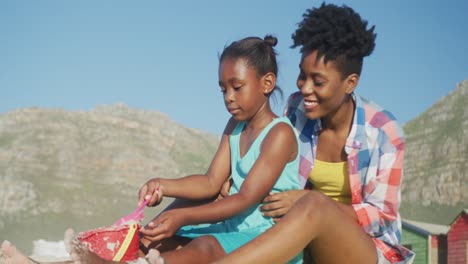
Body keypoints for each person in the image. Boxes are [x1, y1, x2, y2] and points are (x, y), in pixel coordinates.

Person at [212, 3, 415, 264]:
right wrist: (234, 180)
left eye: (317, 81)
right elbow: (273, 167)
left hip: (365, 249)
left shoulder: (384, 133)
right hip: (303, 237)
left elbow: (381, 217)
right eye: (301, 75)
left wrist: (313, 200)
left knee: (315, 206)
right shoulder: (295, 110)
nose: (305, 88)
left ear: (350, 83)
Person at [136, 34, 302, 264]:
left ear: (267, 83)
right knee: (153, 240)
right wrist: (162, 185)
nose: (229, 98)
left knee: (205, 246)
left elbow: (245, 198)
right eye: (223, 90)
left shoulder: (279, 134)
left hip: (269, 238)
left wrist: (183, 217)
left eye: (237, 87)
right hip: (231, 232)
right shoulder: (235, 126)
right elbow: (211, 182)